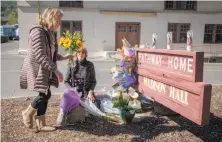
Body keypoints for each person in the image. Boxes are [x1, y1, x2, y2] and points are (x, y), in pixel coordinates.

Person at [20, 8, 73, 132]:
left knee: (44, 93)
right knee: (45, 93)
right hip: (38, 69)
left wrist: (63, 57)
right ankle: (27, 113)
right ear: (51, 18)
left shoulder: (50, 33)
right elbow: (41, 56)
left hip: (45, 69)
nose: (60, 23)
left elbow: (51, 55)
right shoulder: (38, 32)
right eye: (58, 20)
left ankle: (41, 124)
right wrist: (56, 71)